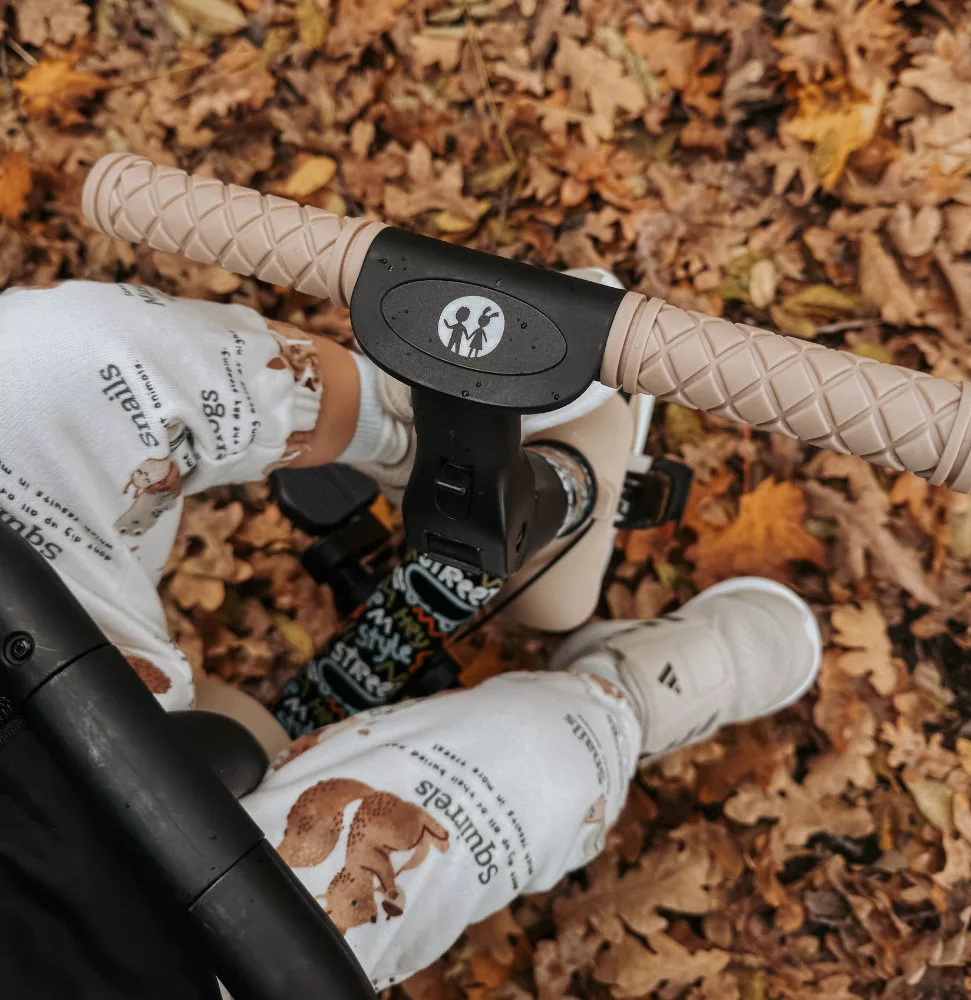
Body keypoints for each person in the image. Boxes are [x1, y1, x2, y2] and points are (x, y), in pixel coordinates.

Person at [0, 275, 822, 991]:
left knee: (57, 360)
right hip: (137, 954)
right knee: (536, 769)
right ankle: (615, 702)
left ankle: (414, 436)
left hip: (22, 672)